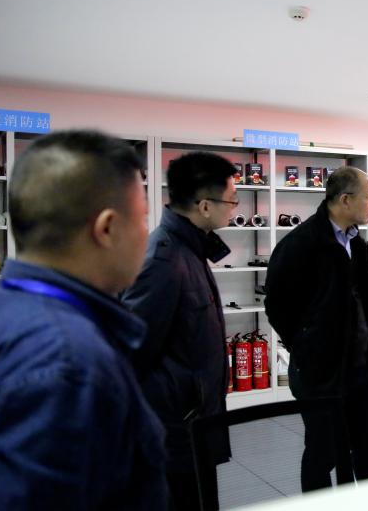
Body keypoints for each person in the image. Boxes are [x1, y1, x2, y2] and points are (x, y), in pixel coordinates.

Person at [0, 130, 166, 509]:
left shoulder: (4, 310)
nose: (146, 233)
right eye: (143, 218)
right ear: (107, 228)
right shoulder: (67, 360)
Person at [264, 166, 368, 491]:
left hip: (358, 368)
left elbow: (365, 305)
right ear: (346, 200)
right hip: (319, 372)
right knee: (323, 453)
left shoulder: (357, 245)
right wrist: (307, 344)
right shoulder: (301, 244)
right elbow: (277, 305)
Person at [122, 152, 237, 510]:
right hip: (174, 432)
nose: (234, 209)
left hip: (195, 424)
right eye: (231, 200)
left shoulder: (190, 249)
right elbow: (130, 353)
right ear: (205, 206)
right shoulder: (163, 259)